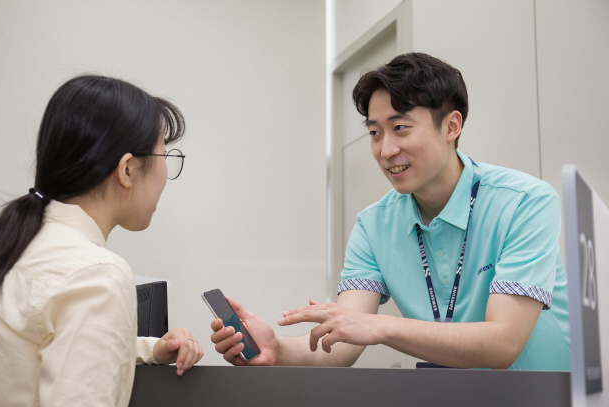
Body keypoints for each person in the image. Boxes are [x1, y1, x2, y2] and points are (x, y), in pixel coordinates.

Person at [210, 52, 570, 371]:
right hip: (456, 406)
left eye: (399, 128)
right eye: (375, 133)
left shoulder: (526, 201)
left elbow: (503, 344)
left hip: (549, 402)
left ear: (451, 126)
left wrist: (381, 328)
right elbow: (345, 341)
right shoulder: (373, 224)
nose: (386, 150)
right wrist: (276, 349)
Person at [0, 75, 203, 407]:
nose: (167, 171)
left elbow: (41, 345)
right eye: (164, 153)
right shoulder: (97, 274)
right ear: (127, 169)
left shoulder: (15, 248)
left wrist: (151, 348)